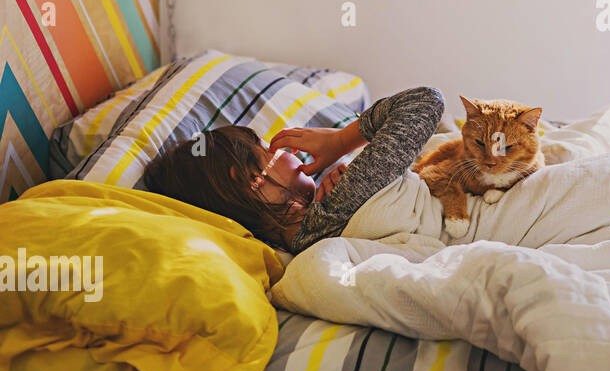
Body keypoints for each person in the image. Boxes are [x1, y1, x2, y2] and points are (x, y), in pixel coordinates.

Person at [142, 86, 444, 253]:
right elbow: (425, 102)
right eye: (268, 150)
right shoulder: (335, 208)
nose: (291, 153)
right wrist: (341, 140)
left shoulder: (308, 233)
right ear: (252, 180)